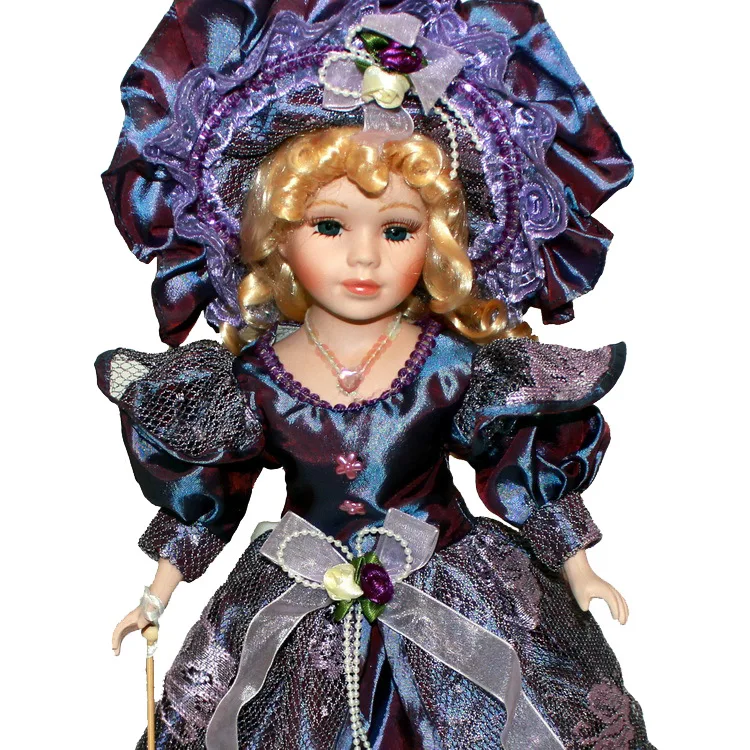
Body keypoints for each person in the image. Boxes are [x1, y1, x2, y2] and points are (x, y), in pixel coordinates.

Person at [97, 2, 653, 747]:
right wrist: (156, 595)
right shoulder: (256, 375)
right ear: (276, 237)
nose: (364, 257)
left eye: (397, 230)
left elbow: (519, 461)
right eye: (329, 226)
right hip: (299, 600)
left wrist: (579, 570)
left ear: (440, 240)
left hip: (453, 592)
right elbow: (211, 497)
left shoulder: (453, 363)